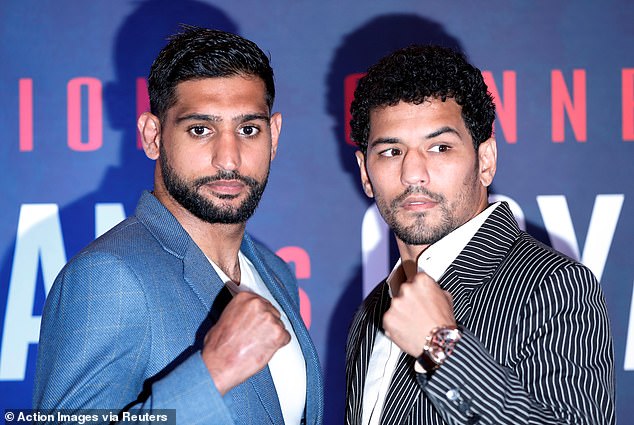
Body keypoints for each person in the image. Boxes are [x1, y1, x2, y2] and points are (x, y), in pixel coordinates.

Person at [33, 26, 323, 425]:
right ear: (153, 136)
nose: (229, 159)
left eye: (248, 129)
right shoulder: (109, 277)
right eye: (200, 129)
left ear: (273, 136)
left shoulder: (274, 272)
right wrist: (213, 373)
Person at [344, 45, 615, 425]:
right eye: (391, 151)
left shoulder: (555, 285)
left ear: (485, 160)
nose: (413, 173)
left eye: (439, 148)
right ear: (364, 172)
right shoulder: (372, 312)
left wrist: (442, 346)